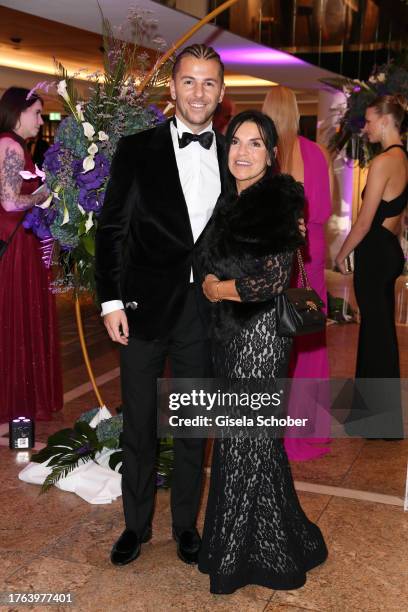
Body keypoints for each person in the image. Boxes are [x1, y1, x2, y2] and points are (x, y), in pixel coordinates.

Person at [96, 44, 305, 569]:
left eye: (209, 83)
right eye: (189, 81)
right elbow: (112, 230)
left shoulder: (233, 153)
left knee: (192, 424)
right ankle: (135, 526)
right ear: (172, 88)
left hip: (207, 313)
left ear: (221, 92)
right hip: (142, 308)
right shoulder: (137, 148)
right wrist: (110, 300)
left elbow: (256, 223)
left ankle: (186, 525)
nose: (198, 92)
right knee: (140, 423)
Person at [196, 110, 328, 594]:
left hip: (260, 339)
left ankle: (234, 560)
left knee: (242, 443)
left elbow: (269, 282)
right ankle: (291, 540)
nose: (243, 152)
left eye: (255, 144)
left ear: (271, 154)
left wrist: (216, 289)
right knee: (255, 444)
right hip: (230, 338)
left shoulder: (278, 199)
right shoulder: (228, 200)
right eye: (236, 142)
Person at [262, 85, 332, 461]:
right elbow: (322, 210)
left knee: (273, 340)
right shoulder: (317, 153)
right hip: (312, 254)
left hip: (277, 253)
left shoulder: (265, 155)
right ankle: (307, 429)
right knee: (308, 340)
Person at [335, 95, 407, 439]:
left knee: (376, 333)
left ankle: (378, 421)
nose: (365, 128)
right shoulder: (404, 158)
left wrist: (340, 253)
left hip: (375, 252)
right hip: (388, 250)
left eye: (368, 120)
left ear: (385, 120)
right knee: (379, 332)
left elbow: (363, 223)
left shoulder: (383, 162)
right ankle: (373, 416)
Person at [0, 87, 63, 422]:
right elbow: (9, 202)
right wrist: (44, 193)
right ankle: (9, 411)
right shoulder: (9, 145)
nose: (41, 121)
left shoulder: (13, 145)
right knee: (13, 325)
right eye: (37, 113)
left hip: (21, 246)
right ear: (18, 112)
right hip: (14, 249)